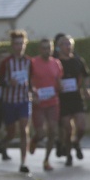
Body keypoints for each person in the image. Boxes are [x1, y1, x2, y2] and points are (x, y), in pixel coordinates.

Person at [0, 30, 33, 174]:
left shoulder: (29, 61)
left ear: (25, 44)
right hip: (9, 101)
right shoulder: (7, 62)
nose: (19, 47)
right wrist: (7, 82)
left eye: (22, 44)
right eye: (17, 44)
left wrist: (34, 90)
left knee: (24, 130)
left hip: (24, 99)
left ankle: (24, 162)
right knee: (12, 132)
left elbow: (32, 80)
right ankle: (4, 142)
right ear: (12, 45)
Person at [56, 34, 90, 166]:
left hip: (76, 97)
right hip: (62, 99)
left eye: (70, 44)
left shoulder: (78, 60)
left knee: (81, 127)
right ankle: (68, 153)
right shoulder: (56, 62)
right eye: (65, 44)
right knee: (67, 129)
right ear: (59, 47)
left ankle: (76, 142)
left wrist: (86, 88)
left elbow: (86, 75)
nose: (68, 46)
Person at [31, 38, 64, 172]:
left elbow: (58, 80)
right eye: (44, 48)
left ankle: (46, 160)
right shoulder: (33, 63)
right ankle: (35, 140)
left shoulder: (56, 63)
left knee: (53, 131)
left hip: (52, 102)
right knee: (41, 133)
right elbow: (29, 82)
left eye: (49, 48)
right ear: (40, 49)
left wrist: (60, 86)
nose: (47, 50)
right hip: (39, 103)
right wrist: (33, 95)